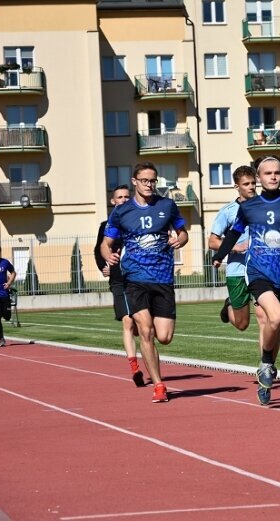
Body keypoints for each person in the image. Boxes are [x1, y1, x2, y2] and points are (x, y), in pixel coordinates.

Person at [212, 155, 280, 406]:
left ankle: (267, 367)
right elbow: (234, 232)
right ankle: (266, 364)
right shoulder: (248, 207)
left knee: (277, 325)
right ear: (259, 177)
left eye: (277, 173)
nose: (273, 177)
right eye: (267, 173)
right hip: (258, 273)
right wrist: (220, 255)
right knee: (273, 316)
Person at [101, 162, 189, 403]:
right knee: (146, 330)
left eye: (153, 180)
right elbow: (106, 243)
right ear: (135, 181)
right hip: (134, 278)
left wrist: (180, 240)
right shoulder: (121, 212)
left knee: (165, 336)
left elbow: (183, 232)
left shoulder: (167, 205)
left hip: (162, 278)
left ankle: (153, 363)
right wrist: (107, 255)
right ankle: (159, 385)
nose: (149, 185)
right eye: (144, 181)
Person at [93, 185, 145, 387]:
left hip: (140, 278)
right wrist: (103, 266)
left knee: (143, 326)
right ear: (113, 201)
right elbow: (99, 250)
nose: (123, 200)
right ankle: (135, 368)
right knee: (127, 322)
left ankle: (147, 355)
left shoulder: (137, 222)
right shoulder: (106, 225)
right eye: (119, 197)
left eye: (126, 197)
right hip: (118, 280)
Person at [209, 166, 265, 332]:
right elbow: (212, 241)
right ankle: (229, 305)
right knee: (242, 324)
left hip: (260, 269)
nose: (251, 187)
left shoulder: (263, 207)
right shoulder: (228, 211)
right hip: (237, 270)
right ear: (237, 187)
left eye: (253, 183)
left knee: (264, 316)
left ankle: (267, 358)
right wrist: (235, 247)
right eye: (246, 184)